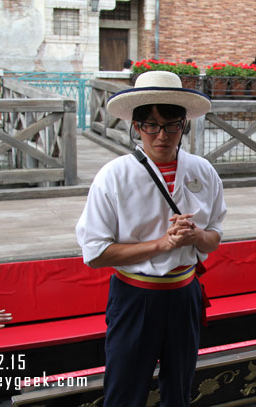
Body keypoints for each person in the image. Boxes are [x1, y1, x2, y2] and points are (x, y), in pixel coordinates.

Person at [76, 71, 227, 407]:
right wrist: (163, 244)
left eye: (171, 124)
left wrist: (196, 235)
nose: (162, 135)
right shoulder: (114, 176)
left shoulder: (203, 171)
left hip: (184, 294)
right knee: (124, 391)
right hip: (135, 296)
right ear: (137, 127)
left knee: (180, 390)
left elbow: (214, 238)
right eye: (151, 125)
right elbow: (96, 253)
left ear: (184, 125)